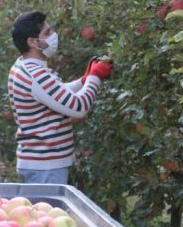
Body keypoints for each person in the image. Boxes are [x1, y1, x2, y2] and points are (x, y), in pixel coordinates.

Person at [7, 11, 113, 184]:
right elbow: (78, 108)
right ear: (32, 42)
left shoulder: (22, 66)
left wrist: (83, 81)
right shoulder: (36, 75)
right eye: (47, 33)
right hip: (45, 165)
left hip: (39, 162)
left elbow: (56, 93)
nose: (53, 36)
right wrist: (95, 77)